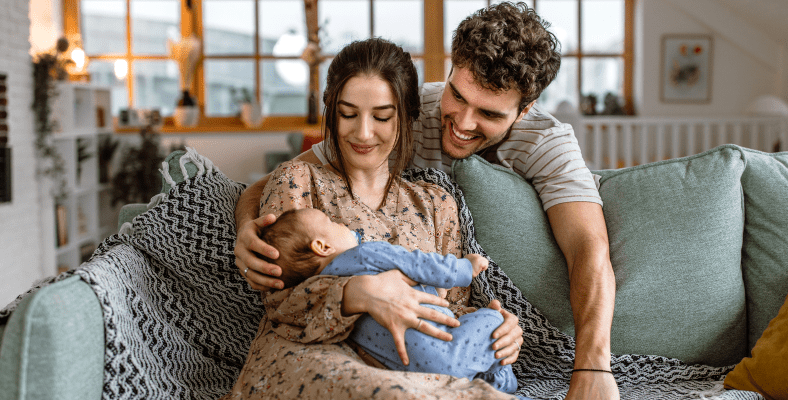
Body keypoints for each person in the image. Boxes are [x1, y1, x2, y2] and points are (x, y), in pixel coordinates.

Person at [235, 3, 619, 399]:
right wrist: (250, 228)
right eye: (457, 95)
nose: (463, 123)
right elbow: (270, 211)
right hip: (322, 355)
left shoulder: (446, 196)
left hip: (418, 364)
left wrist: (509, 329)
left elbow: (587, 248)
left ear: (524, 111)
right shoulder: (320, 165)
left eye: (486, 112)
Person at [222, 37, 522, 399]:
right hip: (317, 356)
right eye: (348, 114)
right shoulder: (298, 181)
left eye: (382, 116)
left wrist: (500, 329)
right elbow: (280, 303)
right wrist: (357, 293)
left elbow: (453, 309)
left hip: (419, 363)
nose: (363, 133)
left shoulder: (437, 203)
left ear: (407, 117)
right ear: (332, 112)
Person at [258, 207, 518, 393]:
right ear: (321, 246)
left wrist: (432, 292)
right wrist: (464, 268)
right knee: (493, 318)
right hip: (446, 348)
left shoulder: (322, 296)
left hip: (408, 370)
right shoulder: (366, 253)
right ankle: (502, 381)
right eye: (331, 222)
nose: (342, 223)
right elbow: (420, 263)